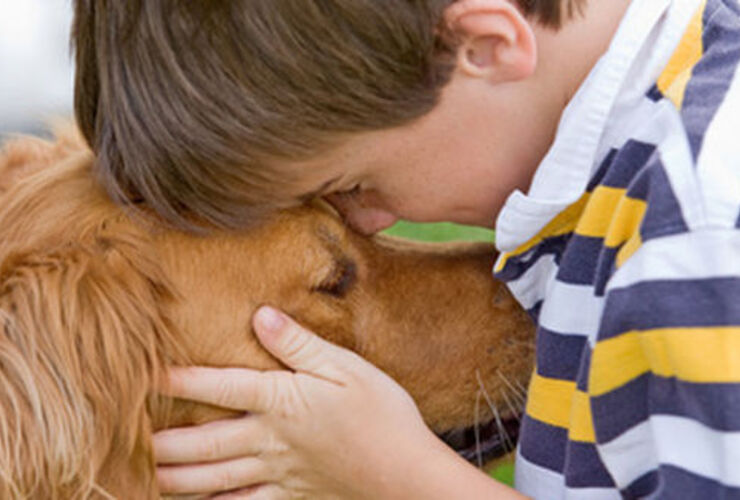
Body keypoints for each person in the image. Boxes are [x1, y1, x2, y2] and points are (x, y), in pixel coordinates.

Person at [71, 0, 740, 498]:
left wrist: (396, 476)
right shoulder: (645, 179)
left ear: (483, 46)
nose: (371, 216)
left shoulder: (696, 229)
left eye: (354, 184)